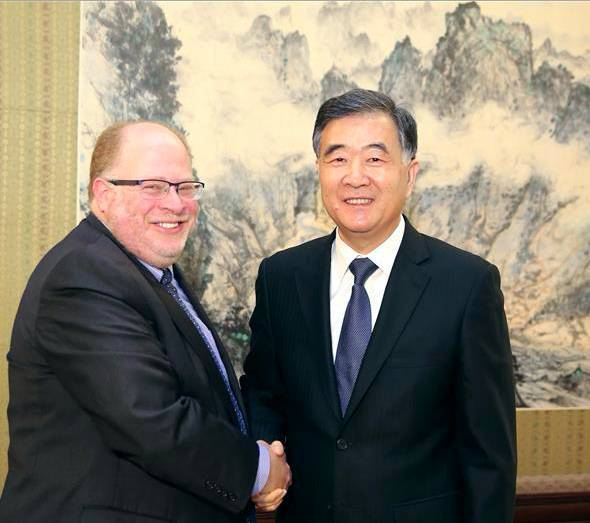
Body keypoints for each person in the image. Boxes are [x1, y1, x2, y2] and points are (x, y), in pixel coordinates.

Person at [241, 89, 517, 523]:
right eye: (337, 158)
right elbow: (263, 392)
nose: (355, 177)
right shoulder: (281, 277)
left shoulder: (467, 285)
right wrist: (266, 452)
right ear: (319, 171)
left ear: (410, 173)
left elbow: (489, 456)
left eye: (374, 158)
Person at [0, 121, 290, 523]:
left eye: (185, 187)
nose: (176, 204)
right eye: (153, 187)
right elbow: (151, 418)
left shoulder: (150, 271)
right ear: (104, 195)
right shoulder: (83, 275)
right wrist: (258, 470)